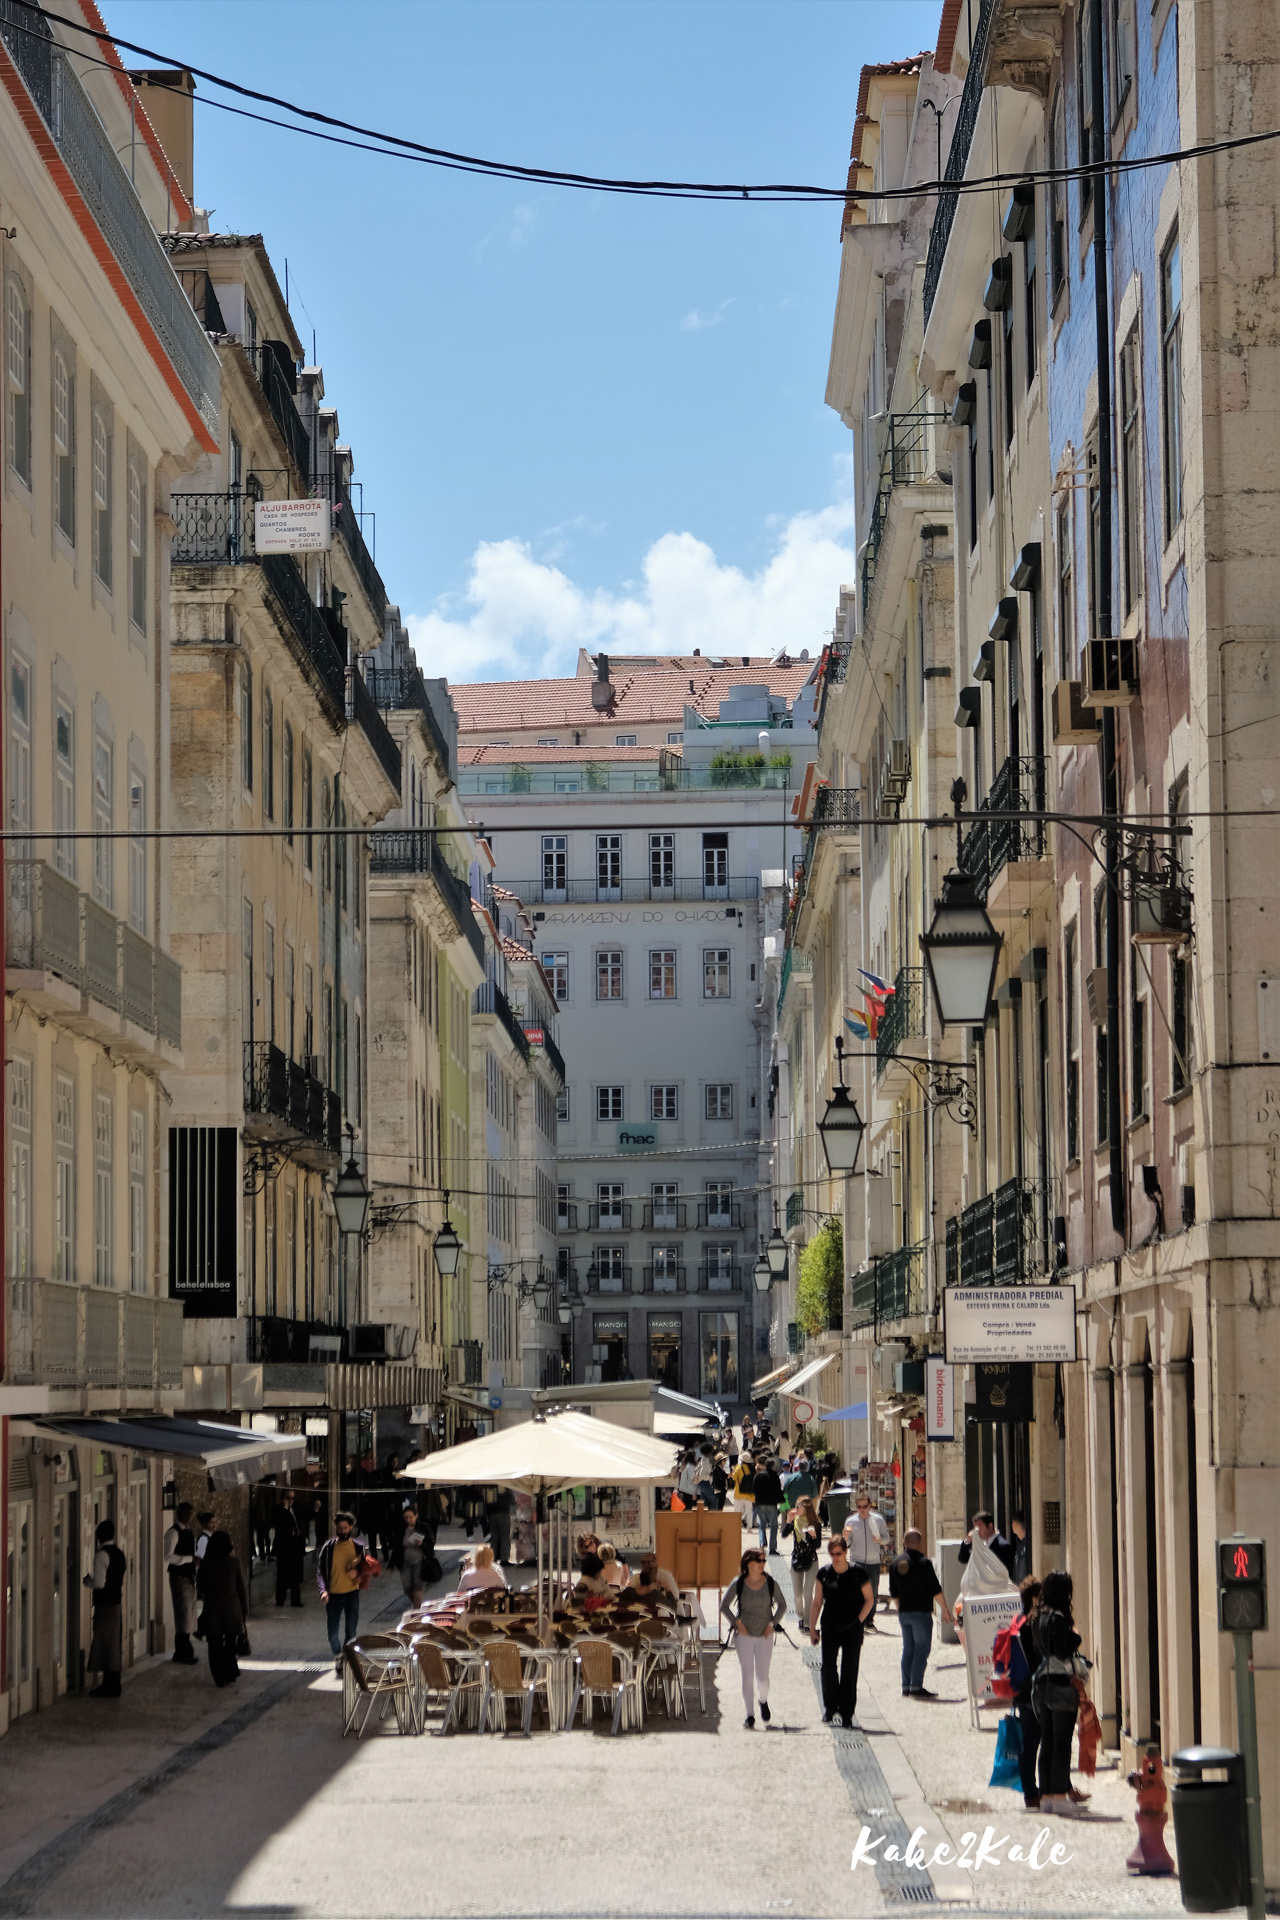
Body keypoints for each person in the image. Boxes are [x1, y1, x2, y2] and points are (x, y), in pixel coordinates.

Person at [1031, 1569, 1086, 1816]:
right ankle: (1059, 1797)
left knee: (1048, 1742)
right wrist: (1076, 1637)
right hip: (1061, 1683)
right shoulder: (1060, 1618)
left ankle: (1047, 1797)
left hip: (1042, 1683)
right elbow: (1065, 1650)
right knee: (1062, 1743)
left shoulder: (1038, 1616)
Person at [810, 1534, 874, 1727]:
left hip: (852, 1627)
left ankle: (847, 1712)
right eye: (832, 1554)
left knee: (849, 1669)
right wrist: (812, 1628)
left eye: (838, 1553)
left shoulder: (858, 1573)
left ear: (845, 1552)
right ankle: (830, 1708)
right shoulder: (824, 1573)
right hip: (830, 1625)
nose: (835, 1557)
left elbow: (869, 1599)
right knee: (828, 1668)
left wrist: (859, 1622)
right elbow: (817, 1601)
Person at [720, 1547, 786, 1728]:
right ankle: (750, 1716)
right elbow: (724, 1606)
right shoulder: (739, 1583)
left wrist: (772, 1624)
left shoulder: (770, 1582)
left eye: (764, 1561)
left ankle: (763, 1700)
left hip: (764, 1635)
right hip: (744, 1636)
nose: (763, 1564)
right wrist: (736, 1623)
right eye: (759, 1561)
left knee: (762, 1676)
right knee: (747, 1674)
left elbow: (782, 1605)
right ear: (749, 1564)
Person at [888, 1528, 944, 1698]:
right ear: (920, 1543)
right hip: (921, 1613)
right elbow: (936, 1590)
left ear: (904, 1542)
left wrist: (901, 1609)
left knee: (908, 1649)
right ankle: (916, 1686)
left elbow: (893, 1592)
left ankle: (906, 1686)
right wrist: (946, 1612)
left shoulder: (895, 1562)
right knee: (921, 1649)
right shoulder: (924, 1563)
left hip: (904, 1613)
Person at [317, 1511, 371, 1667]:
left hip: (352, 1594)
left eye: (345, 1528)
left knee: (351, 1631)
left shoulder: (358, 1547)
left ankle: (347, 1659)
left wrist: (359, 1573)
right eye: (339, 1528)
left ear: (351, 1527)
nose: (342, 1531)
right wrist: (323, 1590)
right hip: (333, 1595)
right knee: (332, 1633)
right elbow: (320, 1571)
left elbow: (368, 1568)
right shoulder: (328, 1548)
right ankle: (338, 1654)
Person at [198, 1531, 250, 1688]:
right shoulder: (234, 1562)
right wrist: (244, 1611)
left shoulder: (206, 1563)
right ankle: (229, 1672)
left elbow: (200, 1587)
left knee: (214, 1645)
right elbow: (242, 1588)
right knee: (229, 1643)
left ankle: (219, 1676)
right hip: (232, 1610)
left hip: (212, 1609)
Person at [1012, 1575, 1044, 1810]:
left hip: (1021, 1689)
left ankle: (1030, 1792)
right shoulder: (1033, 1624)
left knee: (1029, 1741)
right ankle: (1033, 1792)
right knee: (1035, 1741)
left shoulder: (1017, 1621)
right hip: (1035, 1689)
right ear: (1034, 1598)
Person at [84, 1519, 126, 1698]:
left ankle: (109, 1686)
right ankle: (113, 1684)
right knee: (113, 1643)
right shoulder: (119, 1553)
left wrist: (88, 1582)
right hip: (116, 1602)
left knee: (106, 1643)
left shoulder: (101, 1555)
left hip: (105, 1605)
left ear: (98, 1536)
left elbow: (100, 1583)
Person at [843, 1494, 891, 1627]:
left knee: (873, 1592)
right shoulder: (850, 1521)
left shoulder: (878, 1520)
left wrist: (880, 1541)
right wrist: (845, 1537)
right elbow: (847, 1544)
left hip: (873, 1561)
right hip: (856, 1561)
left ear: (870, 1506)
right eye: (859, 1507)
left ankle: (869, 1619)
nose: (862, 1510)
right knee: (856, 1591)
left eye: (865, 1506)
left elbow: (887, 1539)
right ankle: (858, 1619)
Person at [162, 1502, 199, 1665]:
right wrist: (189, 1559)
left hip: (189, 1576)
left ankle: (181, 1650)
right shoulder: (173, 1533)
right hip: (179, 1576)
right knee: (183, 1611)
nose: (188, 1517)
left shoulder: (189, 1532)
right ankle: (184, 1651)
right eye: (186, 1514)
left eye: (190, 1514)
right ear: (179, 1514)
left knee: (188, 1612)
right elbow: (168, 1557)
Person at [785, 1493, 822, 1623]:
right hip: (797, 1560)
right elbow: (784, 1534)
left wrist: (813, 1536)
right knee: (797, 1595)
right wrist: (788, 1520)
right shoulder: (795, 1522)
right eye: (796, 1506)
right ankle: (800, 1616)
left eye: (799, 1507)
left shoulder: (815, 1524)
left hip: (811, 1560)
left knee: (808, 1593)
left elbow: (817, 1546)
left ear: (806, 1508)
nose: (796, 1509)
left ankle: (807, 1622)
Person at [270, 1488, 306, 1608]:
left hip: (296, 1545)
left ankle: (295, 1600)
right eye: (288, 1498)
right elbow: (281, 1524)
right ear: (283, 1498)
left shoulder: (296, 1508)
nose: (291, 1501)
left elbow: (305, 1516)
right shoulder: (278, 1510)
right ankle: (280, 1600)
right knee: (282, 1574)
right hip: (284, 1547)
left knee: (295, 1574)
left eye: (292, 1498)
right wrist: (285, 1509)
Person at [958, 1510, 1018, 1578]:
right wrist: (968, 1540)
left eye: (979, 1528)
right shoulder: (979, 1545)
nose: (977, 1532)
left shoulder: (1003, 1547)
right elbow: (963, 1558)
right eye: (975, 1529)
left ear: (990, 1526)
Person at [752, 1457, 784, 1554]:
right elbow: (778, 1490)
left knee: (762, 1525)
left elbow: (753, 1489)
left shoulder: (759, 1476)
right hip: (771, 1503)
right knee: (774, 1526)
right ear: (773, 1466)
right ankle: (772, 1548)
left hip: (760, 1503)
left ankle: (762, 1544)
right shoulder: (775, 1476)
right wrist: (781, 1500)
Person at [400, 1505, 426, 1609]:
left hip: (419, 1560)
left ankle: (416, 1611)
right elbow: (397, 1545)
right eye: (406, 1517)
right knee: (406, 1587)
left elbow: (430, 1542)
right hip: (405, 1562)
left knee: (417, 1586)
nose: (408, 1519)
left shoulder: (422, 1527)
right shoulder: (402, 1528)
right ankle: (418, 1606)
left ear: (416, 1516)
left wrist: (422, 1544)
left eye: (410, 1517)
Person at [485, 1487, 514, 1564]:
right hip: (504, 1512)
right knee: (504, 1536)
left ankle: (493, 1558)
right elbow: (512, 1500)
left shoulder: (490, 1485)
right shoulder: (505, 1485)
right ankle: (504, 1559)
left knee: (494, 1538)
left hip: (492, 1514)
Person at [729, 1456, 755, 1530]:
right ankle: (749, 1527)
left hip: (739, 1493)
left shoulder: (739, 1468)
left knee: (737, 1511)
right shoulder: (752, 1469)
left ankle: (735, 1526)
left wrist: (734, 1469)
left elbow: (733, 1478)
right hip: (749, 1494)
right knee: (749, 1511)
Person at [1010, 1510, 1031, 1584]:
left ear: (1017, 1524)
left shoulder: (1027, 1546)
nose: (1011, 1525)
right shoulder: (1021, 1545)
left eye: (1013, 1523)